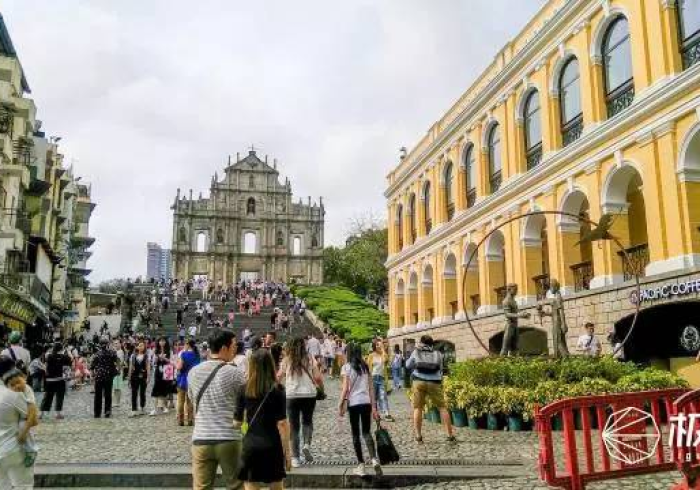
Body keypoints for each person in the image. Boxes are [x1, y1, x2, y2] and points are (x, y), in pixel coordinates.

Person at [188, 330, 246, 490]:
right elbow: (244, 403)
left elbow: (193, 400)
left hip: (201, 437)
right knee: (236, 486)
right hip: (229, 438)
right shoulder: (235, 373)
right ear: (224, 348)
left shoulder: (193, 372)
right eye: (233, 345)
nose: (235, 348)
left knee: (201, 487)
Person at [236, 348, 290, 490]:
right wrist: (287, 453)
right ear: (271, 365)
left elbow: (237, 422)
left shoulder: (243, 389)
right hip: (272, 444)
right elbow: (282, 423)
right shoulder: (278, 389)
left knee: (251, 484)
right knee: (276, 485)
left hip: (251, 444)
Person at [338, 343, 382, 477]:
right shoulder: (365, 367)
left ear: (349, 353)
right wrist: (374, 407)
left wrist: (340, 404)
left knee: (355, 434)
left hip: (354, 404)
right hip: (366, 402)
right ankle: (374, 460)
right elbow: (371, 388)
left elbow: (345, 389)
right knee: (367, 432)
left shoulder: (346, 367)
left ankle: (361, 465)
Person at [278, 337, 322, 468]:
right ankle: (307, 444)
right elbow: (318, 377)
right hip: (309, 394)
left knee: (294, 427)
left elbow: (278, 377)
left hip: (292, 395)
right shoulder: (310, 358)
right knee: (307, 421)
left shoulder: (287, 360)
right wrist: (320, 387)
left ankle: (295, 458)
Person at [405, 335, 455, 444]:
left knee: (418, 408)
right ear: (432, 344)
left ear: (421, 343)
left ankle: (418, 437)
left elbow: (407, 365)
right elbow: (441, 370)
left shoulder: (416, 352)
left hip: (419, 382)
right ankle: (450, 435)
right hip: (434, 383)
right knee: (442, 408)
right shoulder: (438, 353)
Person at [0, 356, 39, 489]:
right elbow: (33, 419)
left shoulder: (11, 387)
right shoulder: (20, 389)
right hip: (15, 447)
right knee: (23, 485)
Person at [40, 343, 72, 420]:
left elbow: (45, 366)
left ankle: (41, 413)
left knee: (47, 397)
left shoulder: (49, 356)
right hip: (60, 379)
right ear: (61, 349)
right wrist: (68, 351)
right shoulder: (65, 357)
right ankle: (58, 413)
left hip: (49, 380)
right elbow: (71, 359)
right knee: (60, 397)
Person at [90, 338, 118, 418]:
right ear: (108, 344)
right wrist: (117, 370)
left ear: (100, 345)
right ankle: (107, 411)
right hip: (108, 376)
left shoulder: (97, 354)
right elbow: (117, 362)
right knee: (108, 394)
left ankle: (97, 413)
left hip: (99, 376)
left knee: (98, 395)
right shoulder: (112, 353)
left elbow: (92, 366)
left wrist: (92, 376)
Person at [366, 339, 393, 421]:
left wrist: (383, 350)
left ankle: (387, 414)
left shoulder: (383, 355)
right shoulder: (371, 356)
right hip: (373, 378)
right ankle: (376, 413)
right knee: (374, 397)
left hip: (381, 378)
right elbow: (368, 368)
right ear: (374, 346)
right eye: (377, 345)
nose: (379, 346)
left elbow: (386, 360)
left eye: (380, 344)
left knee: (383, 396)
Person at [176, 339, 200, 426]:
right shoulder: (197, 354)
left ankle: (181, 420)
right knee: (190, 401)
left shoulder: (183, 354)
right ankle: (190, 420)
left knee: (180, 401)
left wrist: (175, 363)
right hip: (192, 379)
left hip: (182, 379)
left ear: (188, 345)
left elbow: (179, 367)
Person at [128, 341, 150, 417]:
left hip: (143, 376)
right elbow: (130, 367)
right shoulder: (133, 356)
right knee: (134, 393)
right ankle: (134, 409)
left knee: (142, 392)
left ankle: (142, 407)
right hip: (134, 376)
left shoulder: (146, 356)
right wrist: (129, 377)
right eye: (139, 345)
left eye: (142, 345)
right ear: (136, 346)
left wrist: (148, 377)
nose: (141, 347)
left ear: (144, 347)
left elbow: (148, 366)